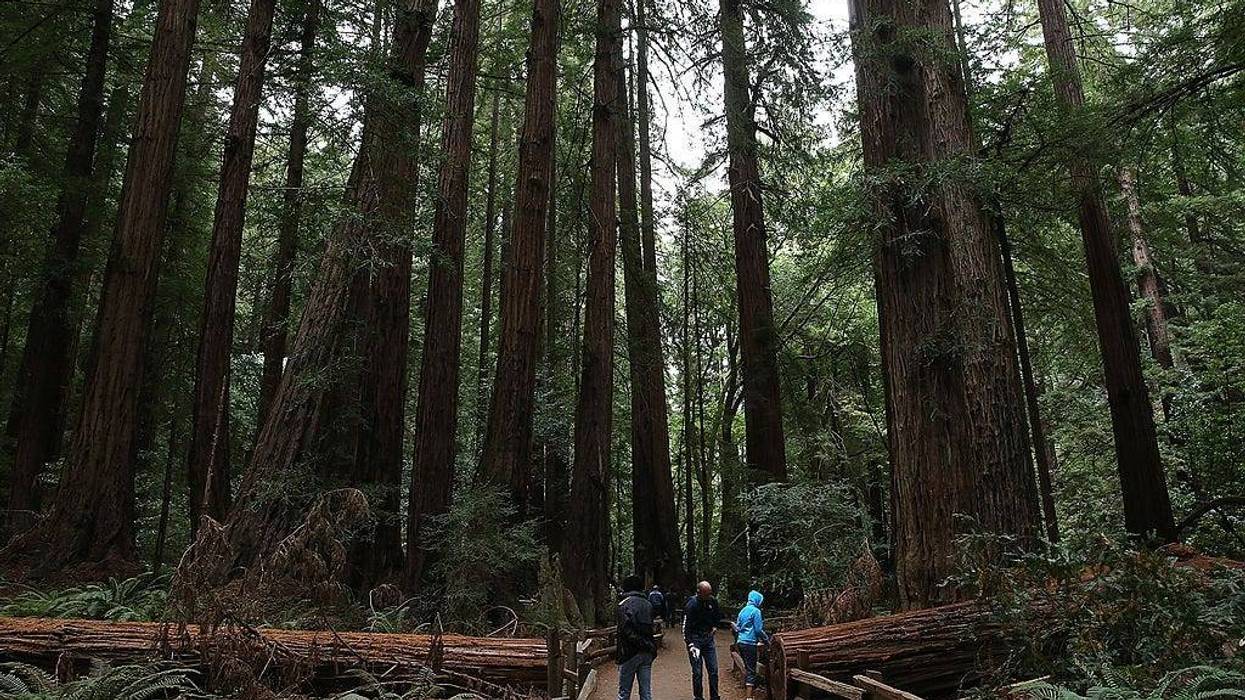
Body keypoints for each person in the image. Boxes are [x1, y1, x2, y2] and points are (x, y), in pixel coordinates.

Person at [683, 580, 726, 700]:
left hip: (708, 639)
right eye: (706, 594)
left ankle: (714, 696)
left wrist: (715, 626)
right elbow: (686, 627)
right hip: (695, 640)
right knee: (697, 671)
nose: (709, 596)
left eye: (710, 593)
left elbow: (717, 616)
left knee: (713, 669)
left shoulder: (712, 601)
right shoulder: (691, 605)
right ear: (699, 592)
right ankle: (698, 696)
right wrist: (690, 643)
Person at [616, 574, 656, 700]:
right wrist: (649, 646)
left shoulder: (623, 605)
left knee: (624, 693)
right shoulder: (648, 604)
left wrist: (640, 644)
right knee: (646, 692)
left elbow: (626, 630)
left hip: (629, 652)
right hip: (647, 652)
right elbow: (650, 628)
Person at [735, 590, 770, 700]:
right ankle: (749, 697)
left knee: (747, 666)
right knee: (751, 669)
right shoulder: (756, 611)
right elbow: (758, 629)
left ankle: (748, 691)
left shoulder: (743, 611)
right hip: (750, 643)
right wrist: (766, 640)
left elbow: (738, 627)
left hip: (741, 642)